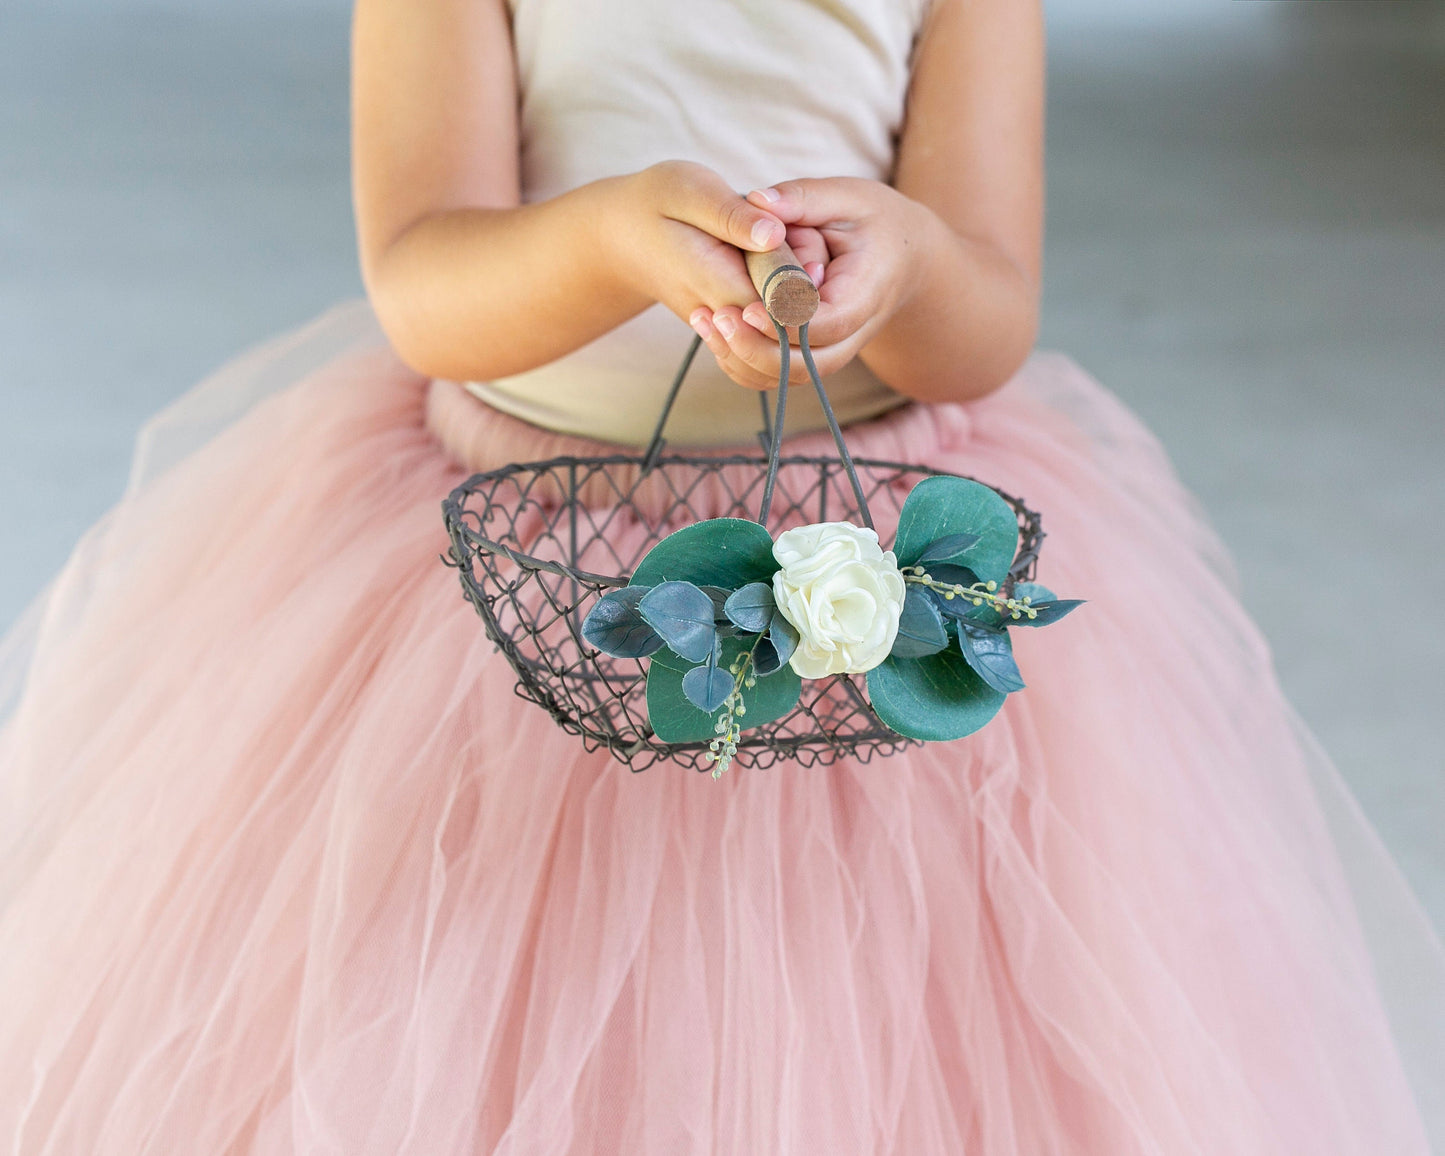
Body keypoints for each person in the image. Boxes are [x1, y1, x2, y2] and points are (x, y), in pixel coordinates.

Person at [1, 0, 1442, 1151]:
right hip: (523, 555)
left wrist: (911, 266)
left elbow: (987, 314)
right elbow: (427, 282)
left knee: (872, 1039)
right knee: (498, 1005)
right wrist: (609, 242)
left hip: (863, 533)